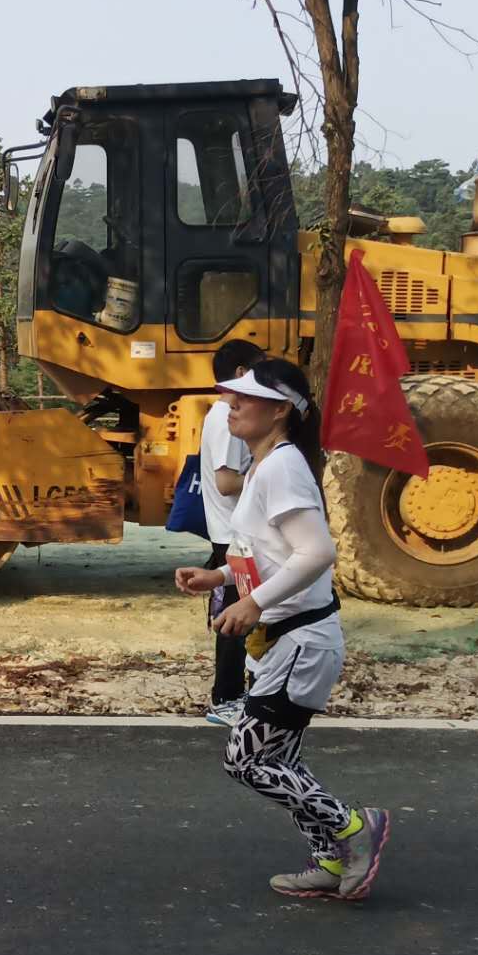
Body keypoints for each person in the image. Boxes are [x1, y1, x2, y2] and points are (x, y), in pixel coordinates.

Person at [172, 358, 391, 900]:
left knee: (245, 760)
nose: (231, 405)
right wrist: (219, 577)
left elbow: (317, 553)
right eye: (232, 396)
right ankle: (332, 862)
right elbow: (267, 552)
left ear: (280, 411)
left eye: (245, 398)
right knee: (281, 760)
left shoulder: (282, 467)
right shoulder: (264, 465)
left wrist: (254, 603)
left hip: (301, 641)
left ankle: (353, 828)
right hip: (282, 642)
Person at [200, 339, 264, 727]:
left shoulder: (223, 413)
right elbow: (226, 482)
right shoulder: (227, 416)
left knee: (240, 616)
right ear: (241, 373)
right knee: (236, 619)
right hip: (233, 533)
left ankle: (237, 694)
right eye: (260, 369)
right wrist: (266, 475)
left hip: (233, 530)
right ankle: (225, 698)